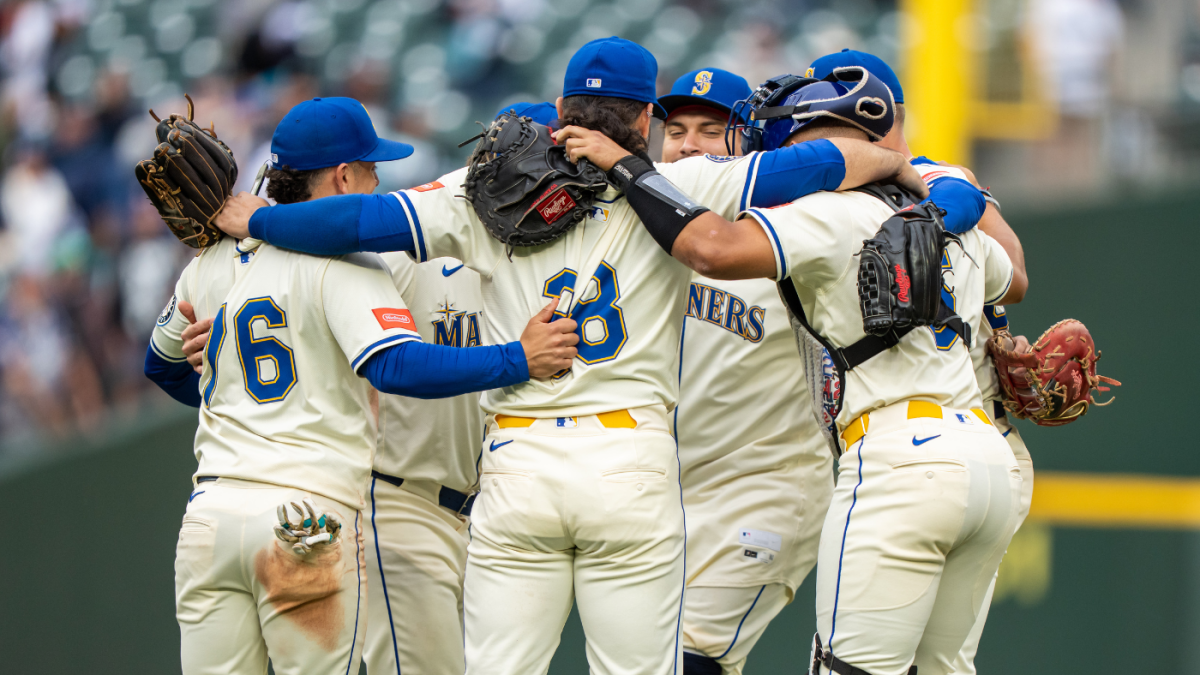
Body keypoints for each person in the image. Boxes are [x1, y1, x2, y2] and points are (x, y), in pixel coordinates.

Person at [212, 37, 928, 675]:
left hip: (520, 462)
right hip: (630, 461)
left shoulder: (477, 193)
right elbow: (824, 161)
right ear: (647, 121)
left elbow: (361, 218)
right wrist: (901, 161)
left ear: (561, 110)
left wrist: (262, 218)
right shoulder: (685, 183)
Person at [566, 72, 1028, 675]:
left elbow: (716, 250)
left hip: (894, 454)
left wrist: (628, 170)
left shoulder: (826, 214)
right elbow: (1009, 283)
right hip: (982, 458)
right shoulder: (942, 222)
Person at [143, 96, 576, 675]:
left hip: (209, 518)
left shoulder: (208, 264)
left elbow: (161, 365)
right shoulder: (347, 261)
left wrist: (232, 391)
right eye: (372, 169)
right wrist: (517, 358)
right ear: (344, 176)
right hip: (303, 515)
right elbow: (395, 367)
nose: (378, 183)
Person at [809, 50, 1034, 674]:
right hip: (963, 455)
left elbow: (1013, 275)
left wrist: (930, 215)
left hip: (934, 442)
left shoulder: (932, 177)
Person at [654, 67, 835, 675]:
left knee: (691, 660)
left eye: (712, 129)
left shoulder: (796, 229)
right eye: (675, 129)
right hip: (662, 492)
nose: (688, 144)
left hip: (764, 484)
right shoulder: (640, 238)